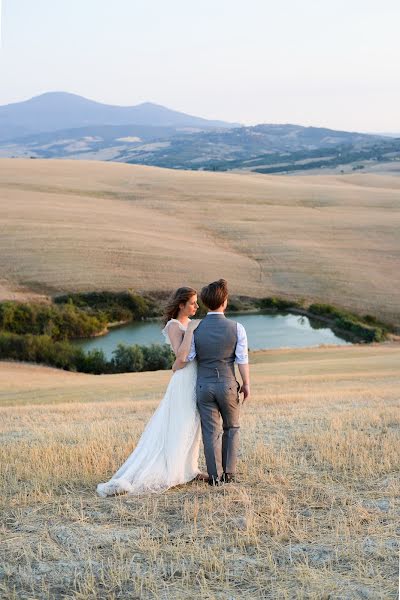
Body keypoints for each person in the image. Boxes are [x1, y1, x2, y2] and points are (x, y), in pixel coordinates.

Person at [96, 286, 202, 497]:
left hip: (196, 378)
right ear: (181, 304)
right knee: (179, 424)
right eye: (192, 303)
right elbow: (180, 360)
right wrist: (190, 332)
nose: (196, 306)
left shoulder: (192, 324)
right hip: (183, 380)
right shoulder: (175, 326)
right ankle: (170, 471)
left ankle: (188, 469)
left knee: (192, 425)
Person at [173, 278, 250, 486]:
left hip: (203, 387)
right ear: (224, 301)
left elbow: (187, 358)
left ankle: (215, 477)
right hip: (227, 384)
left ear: (206, 303)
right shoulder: (237, 328)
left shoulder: (196, 328)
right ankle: (229, 474)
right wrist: (247, 384)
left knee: (210, 432)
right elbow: (242, 359)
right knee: (232, 427)